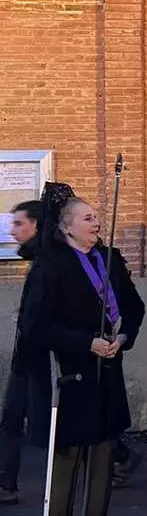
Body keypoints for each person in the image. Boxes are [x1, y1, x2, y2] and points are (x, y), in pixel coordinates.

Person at [24, 189, 145, 515]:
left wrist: (122, 336)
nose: (96, 222)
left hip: (108, 374)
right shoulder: (51, 268)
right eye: (88, 218)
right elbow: (37, 326)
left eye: (96, 217)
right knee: (68, 461)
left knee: (104, 458)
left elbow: (135, 308)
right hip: (71, 378)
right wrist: (85, 342)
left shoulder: (110, 259)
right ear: (67, 227)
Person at [0, 200, 50, 505]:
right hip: (27, 355)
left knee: (53, 424)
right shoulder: (38, 258)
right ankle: (6, 483)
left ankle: (116, 456)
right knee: (12, 419)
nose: (13, 230)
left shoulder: (48, 262)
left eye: (19, 224)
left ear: (36, 225)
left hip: (42, 357)